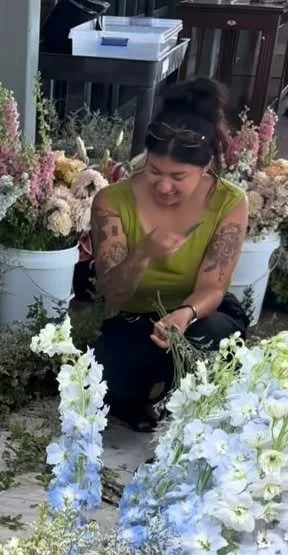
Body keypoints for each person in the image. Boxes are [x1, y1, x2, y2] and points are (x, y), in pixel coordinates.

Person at [91, 78, 249, 431]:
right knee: (108, 376)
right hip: (135, 318)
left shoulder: (229, 201)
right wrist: (144, 253)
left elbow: (213, 286)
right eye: (154, 171)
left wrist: (184, 315)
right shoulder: (112, 201)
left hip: (198, 315)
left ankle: (185, 405)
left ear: (206, 166)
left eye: (179, 176)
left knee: (209, 338)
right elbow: (113, 292)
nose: (164, 186)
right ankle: (148, 394)